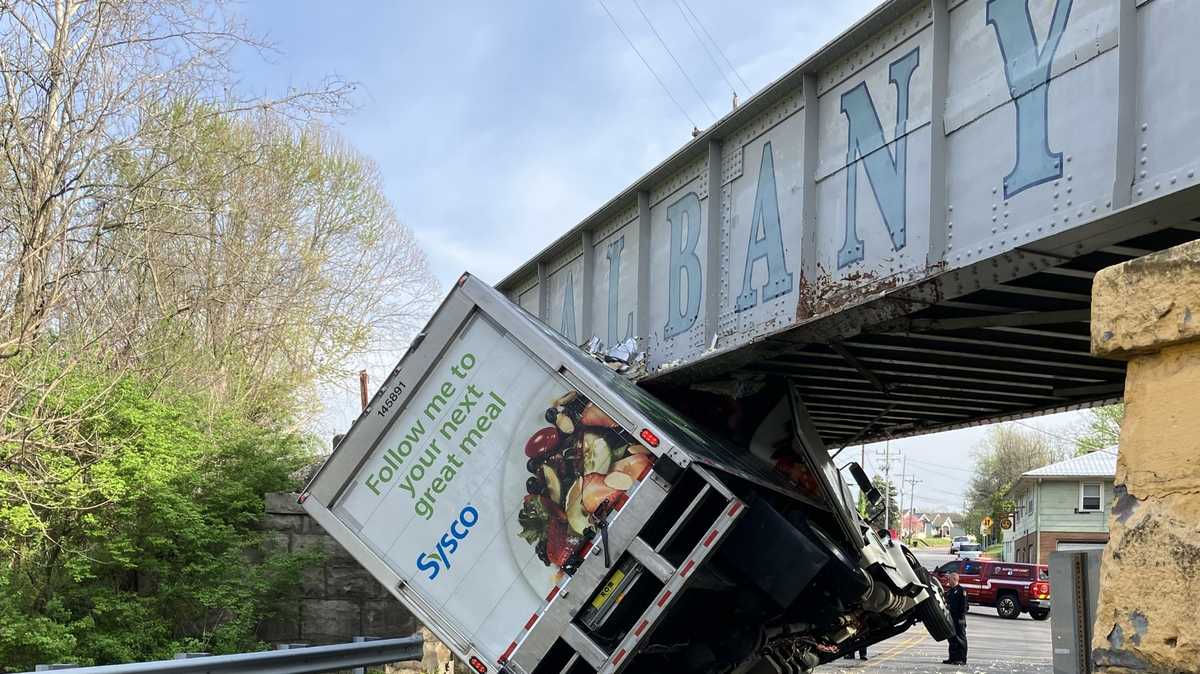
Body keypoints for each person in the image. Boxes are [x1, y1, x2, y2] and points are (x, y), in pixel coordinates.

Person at [944, 572, 968, 665]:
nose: (948, 581)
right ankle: (952, 658)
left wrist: (961, 619)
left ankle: (962, 659)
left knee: (960, 638)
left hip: (959, 618)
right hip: (951, 618)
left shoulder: (962, 591)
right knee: (952, 638)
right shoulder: (950, 591)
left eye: (949, 579)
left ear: (954, 579)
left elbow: (965, 606)